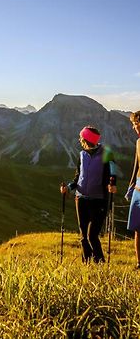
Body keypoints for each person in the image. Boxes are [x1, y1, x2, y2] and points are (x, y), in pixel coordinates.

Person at [60, 126, 117, 263]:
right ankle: (86, 264)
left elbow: (113, 172)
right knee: (83, 236)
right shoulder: (82, 154)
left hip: (99, 199)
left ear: (86, 138)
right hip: (81, 198)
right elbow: (78, 176)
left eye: (81, 137)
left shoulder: (106, 153)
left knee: (92, 235)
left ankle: (100, 263)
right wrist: (68, 188)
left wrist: (112, 184)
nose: (79, 140)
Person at [125, 111, 140, 269]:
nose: (133, 127)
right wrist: (131, 186)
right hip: (138, 187)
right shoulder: (138, 142)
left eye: (135, 124)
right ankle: (139, 263)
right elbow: (136, 166)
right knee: (137, 228)